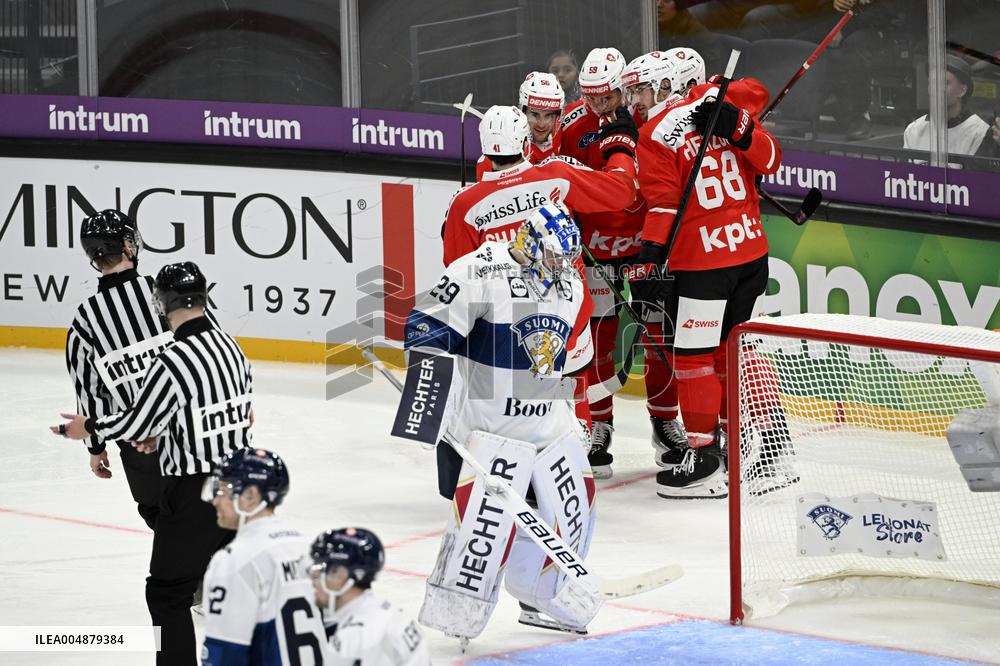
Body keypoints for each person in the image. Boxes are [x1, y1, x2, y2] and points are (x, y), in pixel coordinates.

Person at [405, 204, 599, 640]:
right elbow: (426, 328)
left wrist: (574, 414)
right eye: (553, 257)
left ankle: (542, 595)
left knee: (575, 511)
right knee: (483, 535)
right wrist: (428, 400)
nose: (562, 268)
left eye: (568, 259)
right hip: (486, 436)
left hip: (547, 430)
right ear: (529, 245)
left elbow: (559, 363)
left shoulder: (568, 286)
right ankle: (458, 612)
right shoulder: (480, 269)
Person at [53, 261, 253, 666]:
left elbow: (135, 420)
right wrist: (161, 432)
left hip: (194, 494)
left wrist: (88, 428)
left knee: (166, 594)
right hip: (241, 488)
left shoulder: (175, 359)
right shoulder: (230, 346)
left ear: (162, 303)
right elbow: (234, 412)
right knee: (234, 589)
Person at [443, 102, 639, 475]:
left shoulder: (465, 204)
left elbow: (458, 269)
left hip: (507, 326)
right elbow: (621, 194)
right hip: (566, 317)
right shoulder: (555, 176)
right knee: (566, 390)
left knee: (511, 401)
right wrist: (621, 144)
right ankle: (573, 461)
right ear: (524, 139)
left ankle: (511, 465)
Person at [632, 70, 782, 499]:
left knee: (694, 361)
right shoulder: (719, 100)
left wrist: (649, 260)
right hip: (752, 252)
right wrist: (738, 122)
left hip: (703, 263)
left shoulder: (654, 134)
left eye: (641, 89)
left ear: (665, 86)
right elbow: (770, 156)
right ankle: (762, 447)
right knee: (734, 352)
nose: (635, 100)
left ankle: (706, 460)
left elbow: (662, 207)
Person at [560, 47, 683, 478]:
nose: (599, 106)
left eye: (607, 97)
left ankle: (665, 422)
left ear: (623, 89)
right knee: (600, 337)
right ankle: (600, 426)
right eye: (590, 97)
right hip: (595, 246)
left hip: (646, 244)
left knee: (658, 333)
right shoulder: (571, 123)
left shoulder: (652, 115)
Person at [65, 209, 170, 529]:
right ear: (128, 246)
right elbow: (211, 351)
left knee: (168, 531)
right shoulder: (166, 291)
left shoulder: (85, 320)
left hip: (139, 445)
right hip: (195, 434)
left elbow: (90, 391)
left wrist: (96, 447)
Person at [200, 448, 326, 666]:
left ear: (251, 496)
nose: (215, 501)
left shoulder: (234, 561)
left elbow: (224, 653)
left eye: (222, 491)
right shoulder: (306, 548)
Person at [310, 527, 430, 666]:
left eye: (320, 571)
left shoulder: (354, 638)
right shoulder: (392, 615)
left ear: (340, 576)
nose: (314, 582)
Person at [475, 71, 565, 181]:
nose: (542, 124)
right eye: (534, 114)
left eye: (549, 115)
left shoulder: (567, 131)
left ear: (557, 116)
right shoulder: (499, 155)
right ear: (522, 111)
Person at [904, 54, 990, 156]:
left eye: (945, 83)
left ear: (962, 90)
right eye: (932, 82)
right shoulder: (914, 130)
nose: (936, 88)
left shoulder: (979, 132)